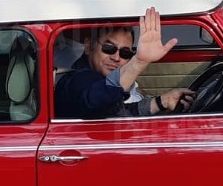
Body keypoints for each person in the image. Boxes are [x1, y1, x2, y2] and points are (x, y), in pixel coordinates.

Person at [54, 7, 195, 119]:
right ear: (88, 46)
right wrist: (139, 62)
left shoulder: (100, 80)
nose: (116, 57)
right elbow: (96, 101)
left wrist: (161, 102)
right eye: (109, 48)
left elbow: (117, 114)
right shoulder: (76, 81)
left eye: (125, 53)